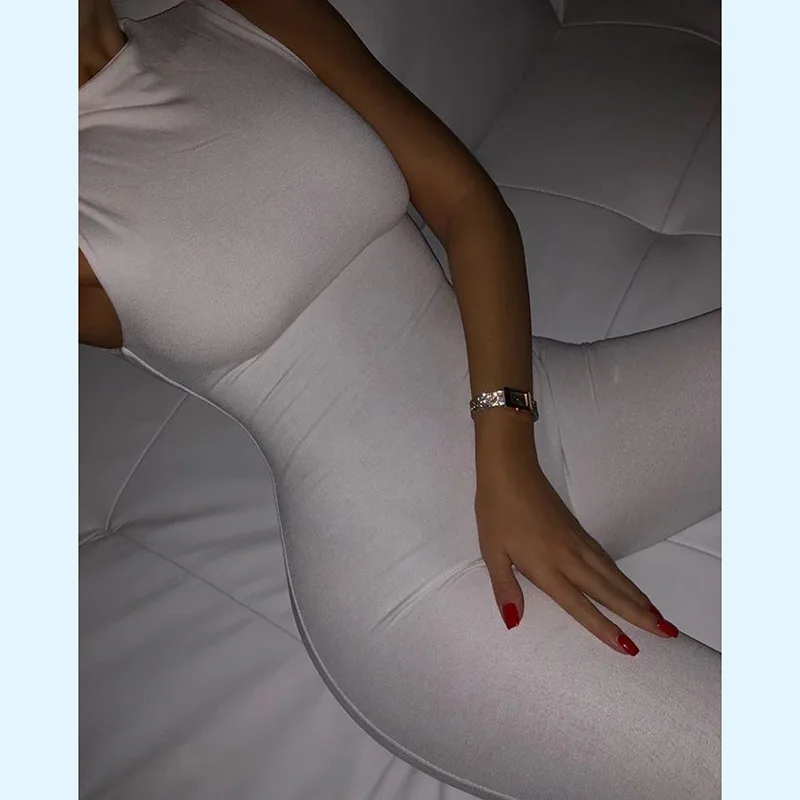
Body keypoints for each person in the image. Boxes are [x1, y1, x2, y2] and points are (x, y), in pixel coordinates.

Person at [79, 0, 720, 798]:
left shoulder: (248, 13)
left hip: (540, 408)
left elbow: (468, 207)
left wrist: (510, 457)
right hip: (419, 576)